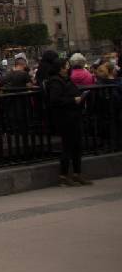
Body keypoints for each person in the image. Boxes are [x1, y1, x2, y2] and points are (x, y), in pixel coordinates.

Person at [45, 56, 92, 186]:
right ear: (60, 68)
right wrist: (73, 100)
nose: (68, 68)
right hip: (65, 118)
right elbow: (55, 100)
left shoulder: (66, 80)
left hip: (73, 116)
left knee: (77, 146)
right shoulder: (55, 82)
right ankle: (63, 175)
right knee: (68, 147)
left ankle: (77, 173)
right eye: (66, 66)